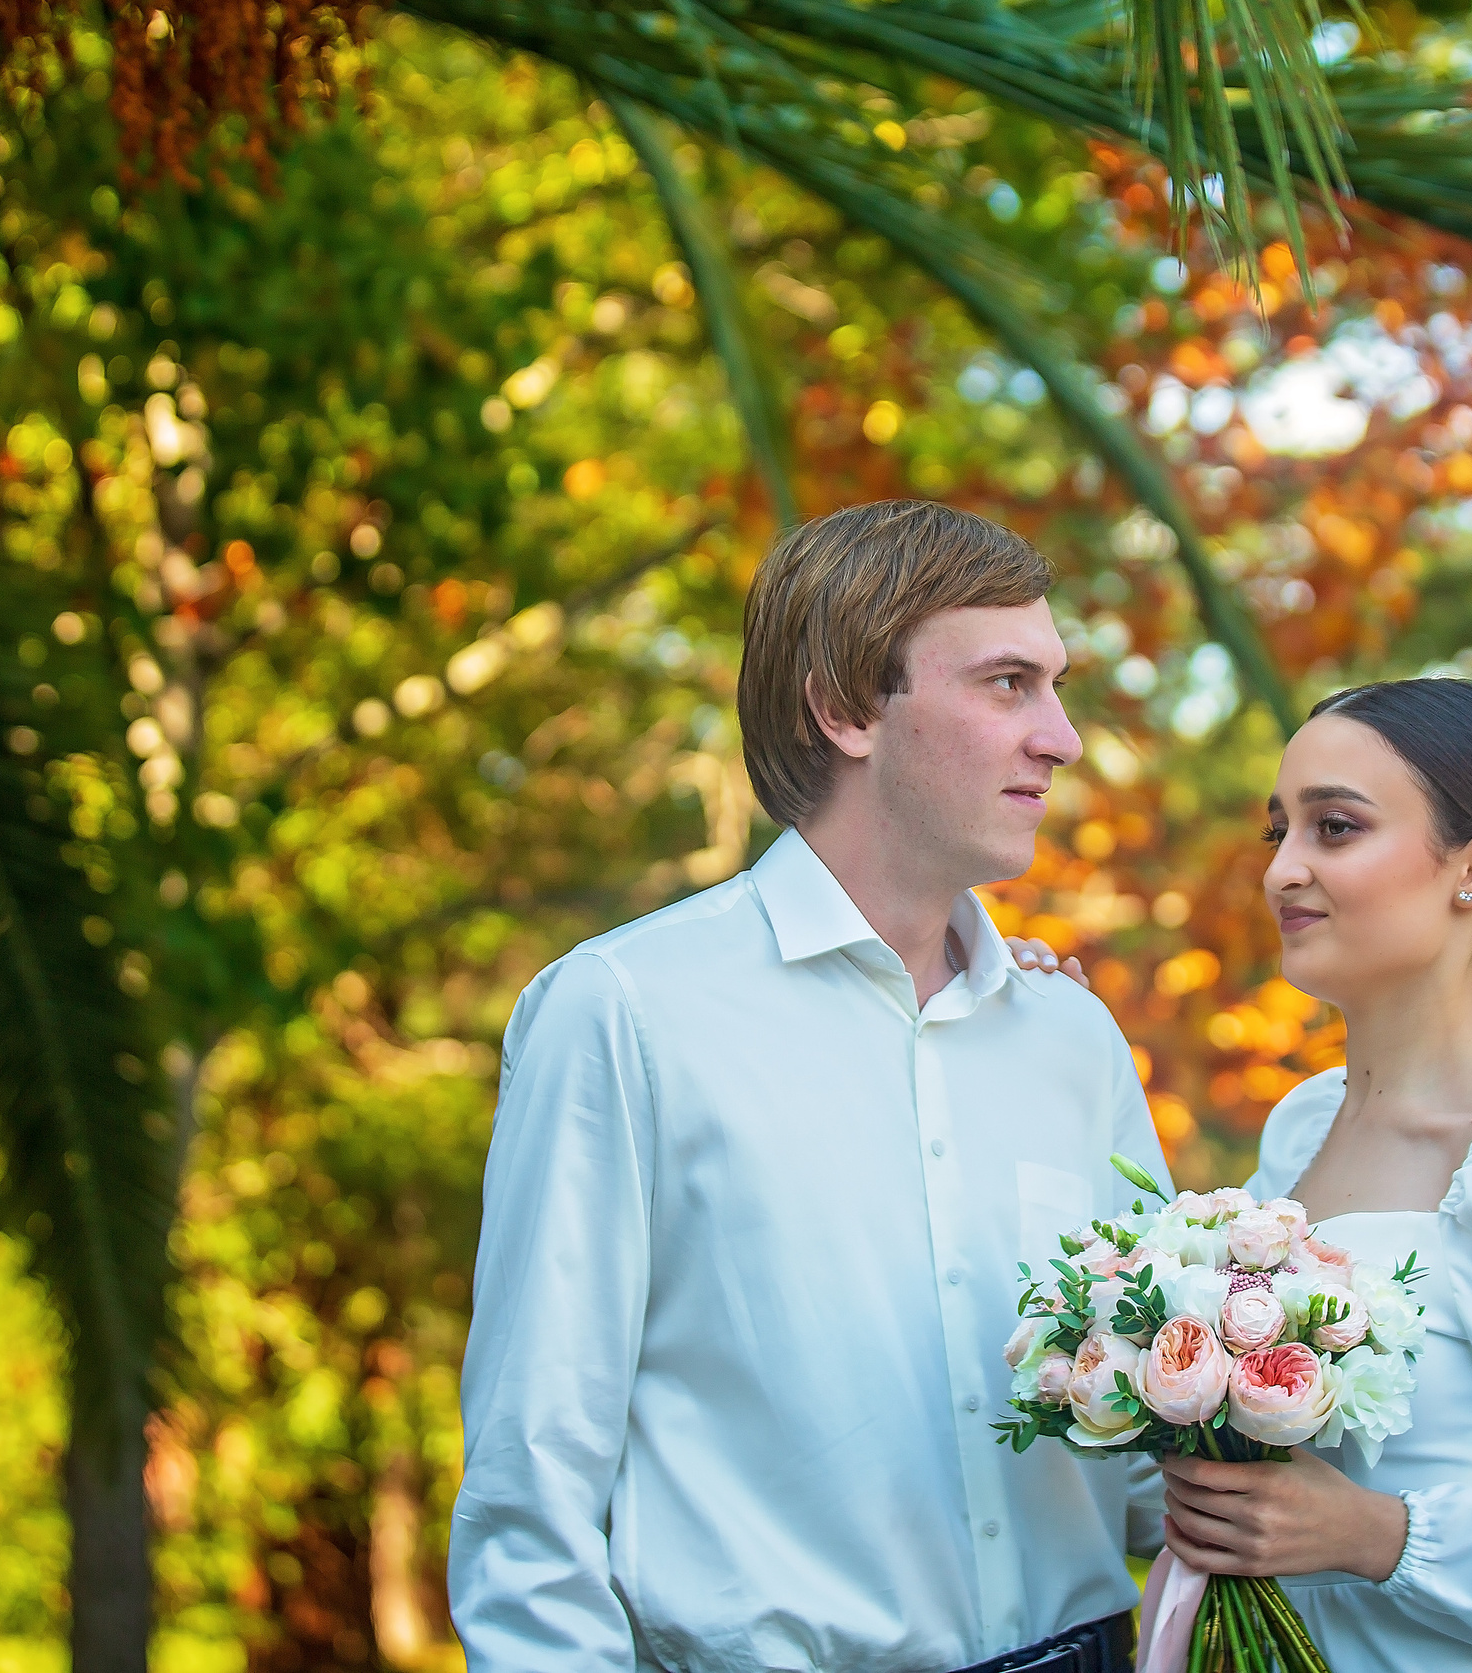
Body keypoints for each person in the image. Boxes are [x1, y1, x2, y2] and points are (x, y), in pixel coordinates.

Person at [449, 500, 1166, 1673]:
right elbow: (534, 1477)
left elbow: (1140, 1458)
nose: (1062, 739)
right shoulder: (625, 1013)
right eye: (1007, 685)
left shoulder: (1072, 1037)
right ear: (844, 710)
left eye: (1055, 686)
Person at [1017, 677, 1472, 1672]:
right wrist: (1030, 1036)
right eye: (1278, 831)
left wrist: (1376, 1535)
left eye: (1334, 828)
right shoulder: (1302, 1127)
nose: (1282, 870)